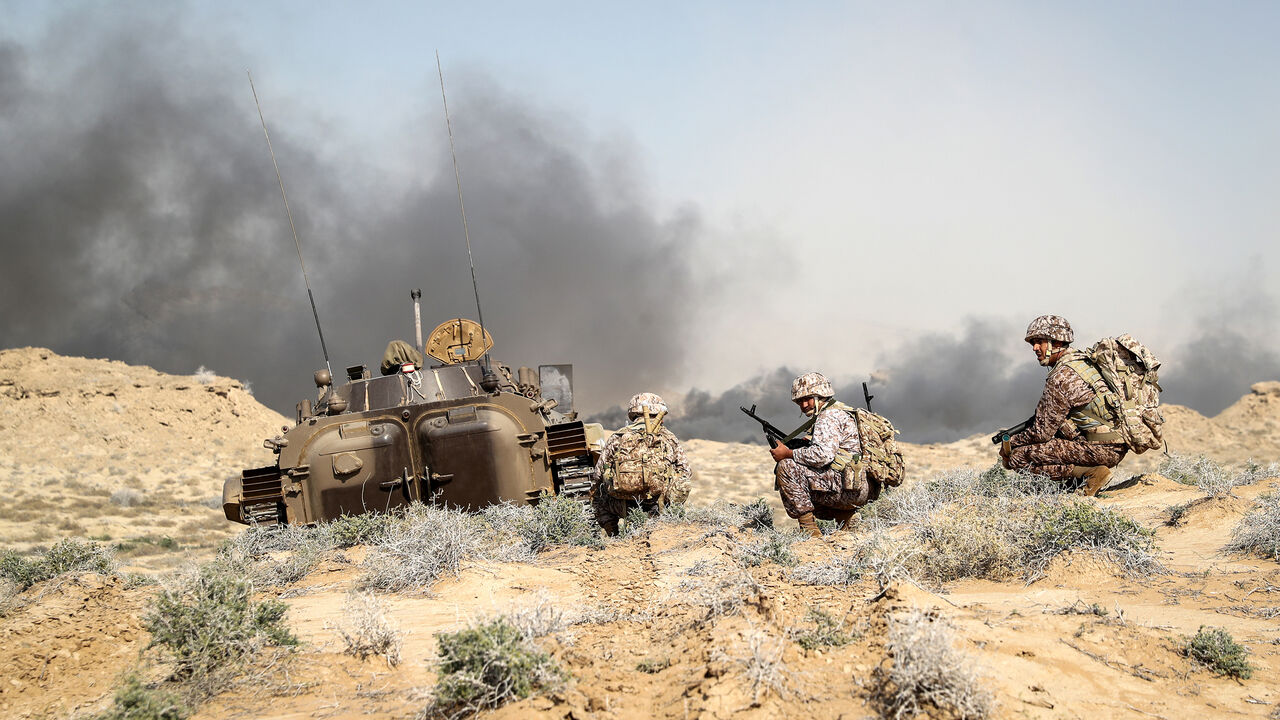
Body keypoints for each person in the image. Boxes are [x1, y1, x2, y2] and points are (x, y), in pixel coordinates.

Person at [1000, 315, 1127, 495]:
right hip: (1114, 444)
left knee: (1018, 456)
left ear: (1057, 343)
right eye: (1033, 343)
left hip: (1100, 449)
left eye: (1039, 342)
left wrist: (1011, 443)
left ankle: (1092, 474)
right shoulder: (1084, 362)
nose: (1035, 348)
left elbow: (1041, 432)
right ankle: (1078, 481)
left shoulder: (1061, 377)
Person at [770, 372, 873, 538]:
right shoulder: (840, 411)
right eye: (799, 401)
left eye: (808, 399)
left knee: (786, 468)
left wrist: (788, 453)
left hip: (850, 489)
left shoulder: (828, 417)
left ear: (820, 396)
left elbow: (822, 456)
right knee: (800, 476)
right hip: (858, 487)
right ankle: (845, 518)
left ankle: (810, 532)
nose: (803, 405)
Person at [591, 392, 692, 536]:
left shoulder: (618, 437)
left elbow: (598, 475)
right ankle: (670, 526)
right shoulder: (668, 437)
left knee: (598, 495)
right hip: (659, 505)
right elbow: (686, 472)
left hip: (622, 506)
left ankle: (613, 534)